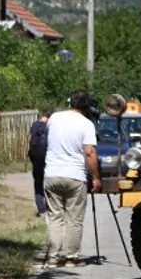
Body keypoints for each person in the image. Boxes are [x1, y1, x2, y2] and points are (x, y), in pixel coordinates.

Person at [43, 90, 102, 267]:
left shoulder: (54, 118)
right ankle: (71, 257)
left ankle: (53, 257)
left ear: (70, 103)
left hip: (52, 174)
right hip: (74, 175)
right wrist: (96, 178)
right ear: (87, 106)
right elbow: (89, 152)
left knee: (55, 217)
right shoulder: (86, 124)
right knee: (74, 219)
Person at [27, 107, 52, 216]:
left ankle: (41, 208)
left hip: (36, 159)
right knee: (49, 183)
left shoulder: (34, 125)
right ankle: (49, 206)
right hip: (48, 159)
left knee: (38, 183)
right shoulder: (50, 126)